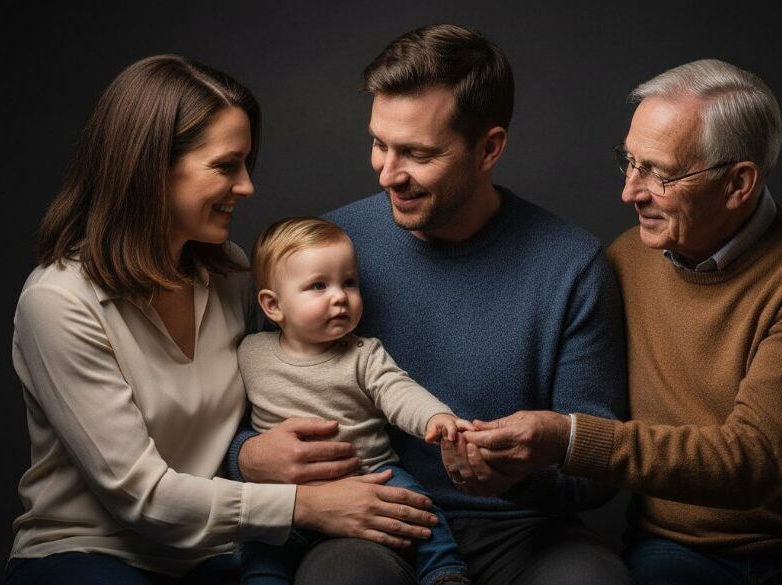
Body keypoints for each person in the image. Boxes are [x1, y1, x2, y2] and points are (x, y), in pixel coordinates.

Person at [7, 55, 439, 585]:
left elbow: (267, 404)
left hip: (219, 550)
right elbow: (138, 496)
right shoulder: (58, 302)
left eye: (247, 164)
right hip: (89, 552)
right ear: (150, 168)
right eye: (226, 165)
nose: (247, 187)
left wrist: (255, 455)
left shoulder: (233, 273)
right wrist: (305, 504)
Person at [231, 24, 630, 585]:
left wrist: (513, 475)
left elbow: (601, 465)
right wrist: (248, 458)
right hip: (375, 518)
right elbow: (249, 399)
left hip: (524, 531)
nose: (388, 174)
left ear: (488, 148)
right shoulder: (328, 249)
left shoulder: (571, 265)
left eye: (417, 153)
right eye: (379, 143)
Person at [461, 59, 782, 583]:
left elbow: (753, 462)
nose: (630, 192)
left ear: (738, 183)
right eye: (630, 163)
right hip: (679, 548)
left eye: (659, 172)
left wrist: (567, 439)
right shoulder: (622, 261)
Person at [238, 217, 472, 585]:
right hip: (286, 490)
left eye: (348, 282)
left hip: (371, 473)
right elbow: (226, 417)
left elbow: (397, 391)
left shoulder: (363, 354)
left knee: (418, 507)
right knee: (260, 547)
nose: (340, 296)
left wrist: (434, 417)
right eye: (318, 285)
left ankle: (444, 571)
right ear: (273, 306)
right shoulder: (250, 353)